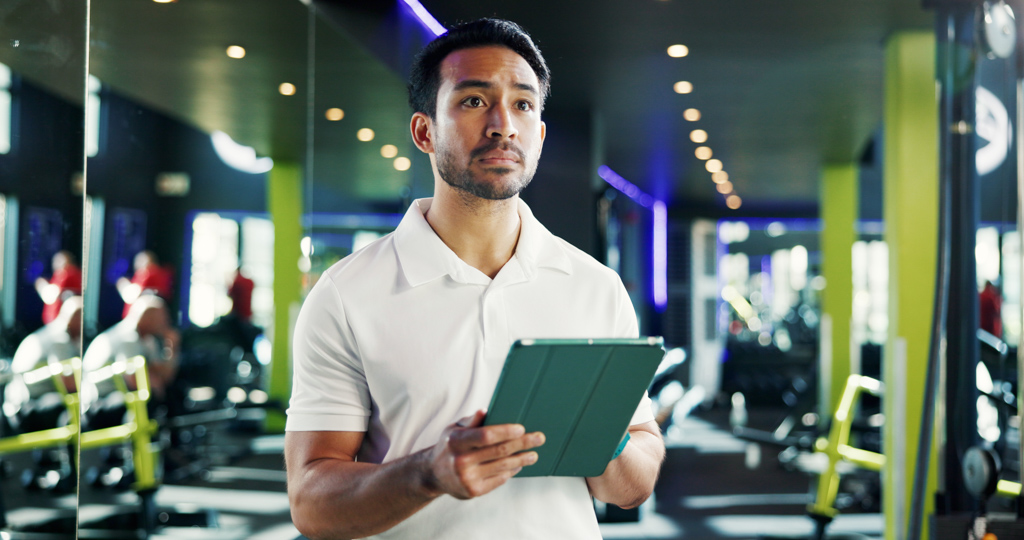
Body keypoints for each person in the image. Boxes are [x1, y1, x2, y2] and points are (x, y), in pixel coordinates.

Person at [285, 19, 664, 540]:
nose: (503, 125)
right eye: (473, 101)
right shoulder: (346, 295)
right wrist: (428, 473)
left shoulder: (595, 286)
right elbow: (311, 504)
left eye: (523, 105)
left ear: (540, 134)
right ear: (424, 131)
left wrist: (603, 433)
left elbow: (631, 487)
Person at [83, 294, 179, 400]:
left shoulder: (148, 339)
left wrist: (172, 348)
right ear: (147, 318)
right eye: (162, 317)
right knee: (151, 396)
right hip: (101, 398)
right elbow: (134, 380)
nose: (166, 321)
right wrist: (157, 386)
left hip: (121, 393)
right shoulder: (128, 337)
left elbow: (163, 376)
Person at [116, 250, 174, 318]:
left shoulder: (148, 273)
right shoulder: (154, 275)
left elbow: (130, 296)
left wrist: (123, 284)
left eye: (141, 261)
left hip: (141, 319)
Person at [34, 250, 82, 324]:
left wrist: (42, 285)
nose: (55, 264)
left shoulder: (67, 273)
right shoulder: (62, 274)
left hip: (61, 321)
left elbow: (50, 296)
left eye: (58, 261)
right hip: (57, 321)